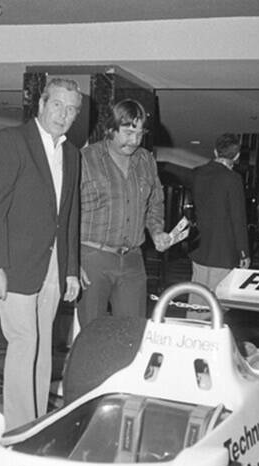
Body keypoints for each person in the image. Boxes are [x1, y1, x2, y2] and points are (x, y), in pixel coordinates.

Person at [0, 77, 83, 430]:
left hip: (53, 265)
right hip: (16, 264)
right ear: (41, 104)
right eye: (57, 105)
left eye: (71, 109)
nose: (63, 114)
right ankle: (20, 429)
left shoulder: (71, 153)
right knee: (24, 343)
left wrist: (70, 269)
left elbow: (68, 216)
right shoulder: (13, 141)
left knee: (42, 344)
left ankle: (36, 420)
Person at [78, 99, 173, 327]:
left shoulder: (146, 160)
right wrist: (73, 262)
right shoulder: (85, 159)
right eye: (128, 133)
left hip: (132, 260)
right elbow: (67, 212)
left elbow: (155, 202)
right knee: (92, 335)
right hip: (92, 258)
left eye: (140, 134)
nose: (135, 141)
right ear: (110, 129)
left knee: (132, 333)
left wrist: (157, 231)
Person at [187, 133, 248, 313]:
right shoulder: (233, 179)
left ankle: (191, 334)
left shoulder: (197, 174)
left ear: (215, 151)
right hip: (224, 251)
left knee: (196, 299)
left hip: (200, 247)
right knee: (216, 305)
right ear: (236, 156)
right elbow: (238, 218)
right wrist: (244, 252)